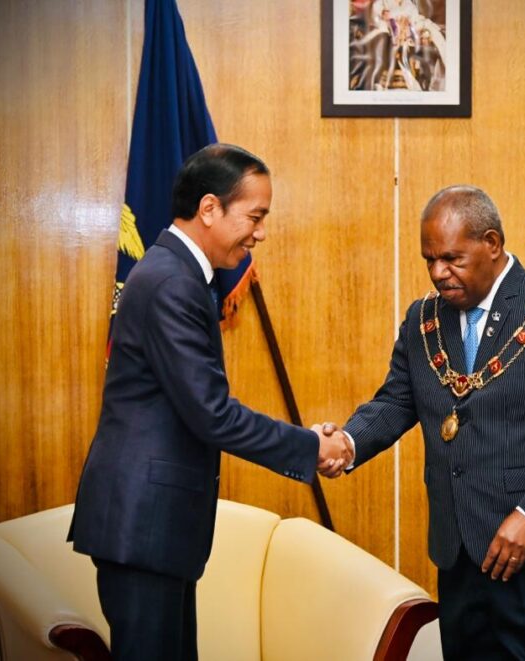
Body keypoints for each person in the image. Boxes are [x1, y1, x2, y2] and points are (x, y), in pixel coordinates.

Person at [69, 143, 353, 661]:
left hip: (155, 528)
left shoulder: (175, 275)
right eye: (255, 216)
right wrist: (309, 447)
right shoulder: (171, 283)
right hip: (144, 528)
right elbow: (211, 413)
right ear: (209, 209)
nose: (261, 232)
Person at [323, 185, 525, 660]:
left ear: (493, 243)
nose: (439, 273)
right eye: (429, 260)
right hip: (459, 552)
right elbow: (398, 400)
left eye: (452, 259)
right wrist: (348, 442)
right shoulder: (423, 319)